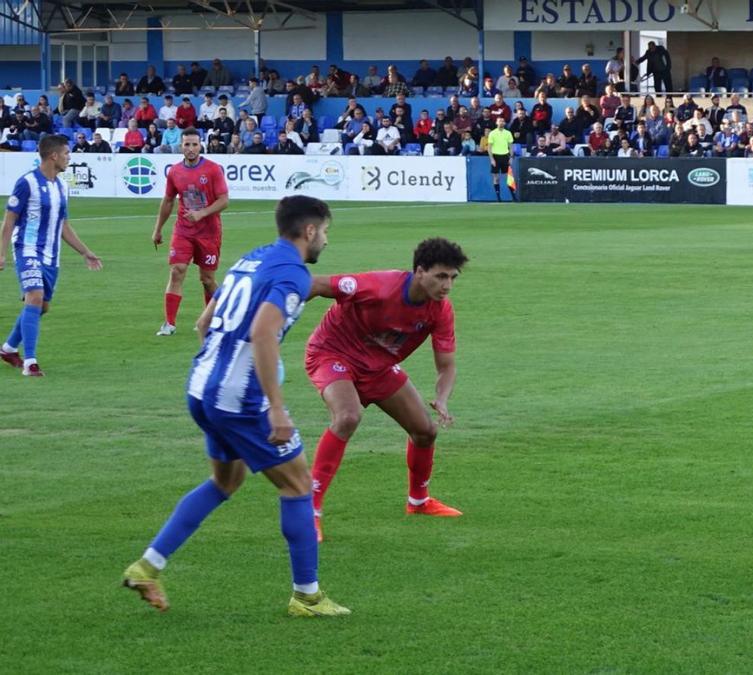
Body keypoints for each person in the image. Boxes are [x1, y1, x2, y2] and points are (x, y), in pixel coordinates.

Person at [121, 196, 348, 617]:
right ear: (310, 231)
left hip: (200, 387)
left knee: (225, 483)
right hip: (239, 401)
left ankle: (147, 567)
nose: (326, 243)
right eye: (326, 233)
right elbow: (263, 333)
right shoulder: (293, 274)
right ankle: (307, 596)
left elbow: (204, 322)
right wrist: (276, 408)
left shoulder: (251, 259)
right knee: (298, 486)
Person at [305, 238, 469, 543]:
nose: (447, 285)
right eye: (441, 276)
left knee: (425, 430)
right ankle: (309, 513)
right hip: (332, 353)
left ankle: (418, 502)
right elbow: (316, 283)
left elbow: (446, 366)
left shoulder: (441, 311)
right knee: (348, 416)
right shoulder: (378, 286)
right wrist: (276, 312)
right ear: (420, 271)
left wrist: (443, 399)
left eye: (452, 278)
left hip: (377, 367)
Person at [0, 135, 103, 377]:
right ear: (53, 155)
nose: (69, 157)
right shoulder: (26, 183)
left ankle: (7, 349)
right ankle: (30, 363)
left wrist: (85, 252)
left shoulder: (61, 186)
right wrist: (1, 253)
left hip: (51, 256)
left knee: (41, 306)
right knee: (34, 297)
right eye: (67, 153)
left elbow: (63, 225)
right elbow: (9, 220)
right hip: (27, 249)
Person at [151, 128, 229, 337]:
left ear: (200, 145)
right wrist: (158, 229)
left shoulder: (213, 170)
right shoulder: (175, 171)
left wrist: (202, 213)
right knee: (177, 270)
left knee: (207, 280)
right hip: (184, 230)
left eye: (194, 144)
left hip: (209, 232)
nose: (191, 148)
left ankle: (215, 317)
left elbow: (224, 201)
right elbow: (168, 201)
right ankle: (169, 323)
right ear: (181, 146)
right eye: (187, 144)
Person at [487, 117, 515, 201]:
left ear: (505, 123)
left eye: (503, 121)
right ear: (496, 122)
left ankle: (513, 197)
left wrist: (511, 157)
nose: (501, 122)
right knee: (496, 177)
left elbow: (511, 146)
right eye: (499, 121)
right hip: (496, 156)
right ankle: (498, 197)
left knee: (509, 177)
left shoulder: (508, 133)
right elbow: (489, 147)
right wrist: (492, 159)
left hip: (505, 156)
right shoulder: (492, 133)